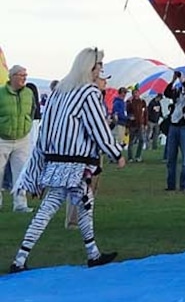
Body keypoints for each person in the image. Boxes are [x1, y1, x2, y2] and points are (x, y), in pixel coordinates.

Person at [6, 49, 119, 274]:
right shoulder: (88, 93)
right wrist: (116, 152)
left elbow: (46, 130)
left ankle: (22, 257)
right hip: (75, 164)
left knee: (58, 207)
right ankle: (92, 254)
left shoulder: (60, 92)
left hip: (57, 162)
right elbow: (98, 127)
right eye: (99, 68)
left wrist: (41, 161)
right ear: (92, 69)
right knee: (81, 204)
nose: (101, 73)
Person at [0, 70, 39, 216]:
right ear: (12, 77)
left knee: (21, 172)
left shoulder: (28, 93)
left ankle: (20, 204)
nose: (24, 78)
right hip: (2, 138)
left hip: (22, 138)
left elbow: (32, 109)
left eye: (25, 76)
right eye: (21, 75)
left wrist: (27, 125)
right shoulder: (1, 93)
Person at [162, 66, 185, 193]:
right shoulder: (179, 90)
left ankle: (184, 185)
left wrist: (183, 81)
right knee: (171, 158)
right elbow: (166, 93)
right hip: (174, 125)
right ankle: (171, 185)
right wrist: (172, 81)